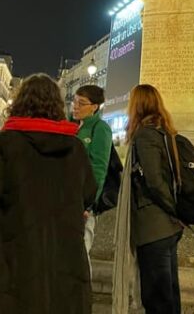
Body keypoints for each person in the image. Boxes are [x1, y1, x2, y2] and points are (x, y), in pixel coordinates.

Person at [0, 74, 96, 313]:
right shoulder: (75, 149)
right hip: (61, 266)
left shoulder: (4, 144)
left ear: (19, 103)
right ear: (58, 106)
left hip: (5, 264)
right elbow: (89, 193)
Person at [114, 84, 184, 314]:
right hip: (167, 228)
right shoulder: (165, 132)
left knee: (157, 299)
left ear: (138, 105)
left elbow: (154, 181)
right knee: (169, 295)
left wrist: (173, 210)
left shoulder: (145, 136)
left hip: (154, 226)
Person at [72, 84, 112, 277]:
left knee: (80, 252)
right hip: (69, 199)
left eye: (82, 103)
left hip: (83, 203)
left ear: (94, 107)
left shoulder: (100, 128)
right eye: (74, 101)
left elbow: (99, 167)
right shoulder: (73, 127)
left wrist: (89, 203)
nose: (75, 106)